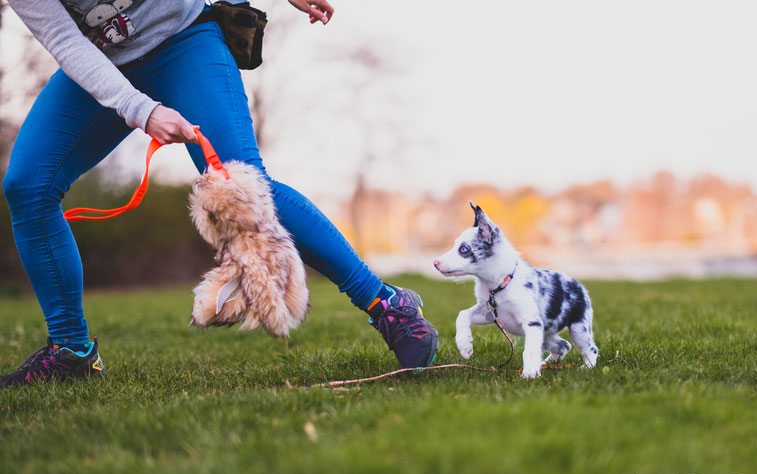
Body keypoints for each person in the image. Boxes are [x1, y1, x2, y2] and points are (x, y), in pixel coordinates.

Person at [1, 0, 438, 387]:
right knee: (28, 185)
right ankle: (71, 352)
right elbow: (63, 37)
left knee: (243, 185)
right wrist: (140, 109)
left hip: (184, 41)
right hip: (100, 61)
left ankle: (386, 304)